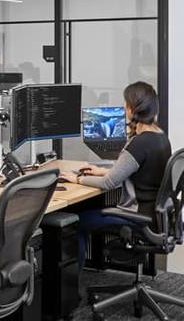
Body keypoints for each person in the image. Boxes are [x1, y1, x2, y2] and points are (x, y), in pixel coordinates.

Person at [70, 81, 172, 262]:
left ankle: (72, 285)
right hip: (154, 215)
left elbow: (109, 183)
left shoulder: (138, 144)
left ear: (132, 108)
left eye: (126, 104)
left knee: (76, 221)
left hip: (138, 217)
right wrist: (101, 171)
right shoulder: (160, 137)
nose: (124, 107)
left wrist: (76, 179)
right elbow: (142, 172)